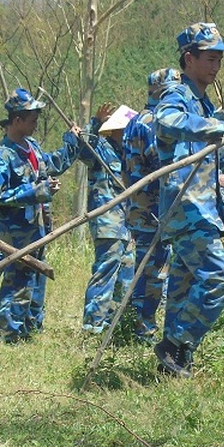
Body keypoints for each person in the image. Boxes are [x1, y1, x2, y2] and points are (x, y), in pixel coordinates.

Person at [152, 22, 224, 377]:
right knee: (219, 276)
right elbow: (165, 122)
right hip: (186, 208)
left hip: (202, 208)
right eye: (209, 59)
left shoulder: (205, 104)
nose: (215, 67)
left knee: (181, 289)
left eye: (219, 60)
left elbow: (210, 152)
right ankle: (177, 343)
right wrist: (220, 128)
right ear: (189, 59)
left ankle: (173, 366)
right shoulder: (177, 95)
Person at [0, 88, 80, 343]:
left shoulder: (33, 147)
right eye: (32, 119)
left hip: (38, 226)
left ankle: (31, 326)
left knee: (36, 276)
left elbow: (54, 165)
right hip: (16, 229)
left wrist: (71, 142)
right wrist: (36, 190)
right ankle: (9, 332)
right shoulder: (2, 156)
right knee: (18, 277)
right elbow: (1, 195)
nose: (36, 124)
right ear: (17, 120)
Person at [122, 69, 179, 343]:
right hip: (151, 209)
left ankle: (137, 322)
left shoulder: (135, 121)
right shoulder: (151, 122)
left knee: (146, 267)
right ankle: (142, 328)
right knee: (153, 271)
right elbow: (162, 162)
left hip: (141, 207)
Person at [79, 103, 136, 335]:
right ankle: (93, 324)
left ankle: (116, 324)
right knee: (106, 270)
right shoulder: (100, 148)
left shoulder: (130, 155)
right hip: (107, 222)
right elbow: (81, 149)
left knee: (127, 272)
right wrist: (94, 123)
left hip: (128, 223)